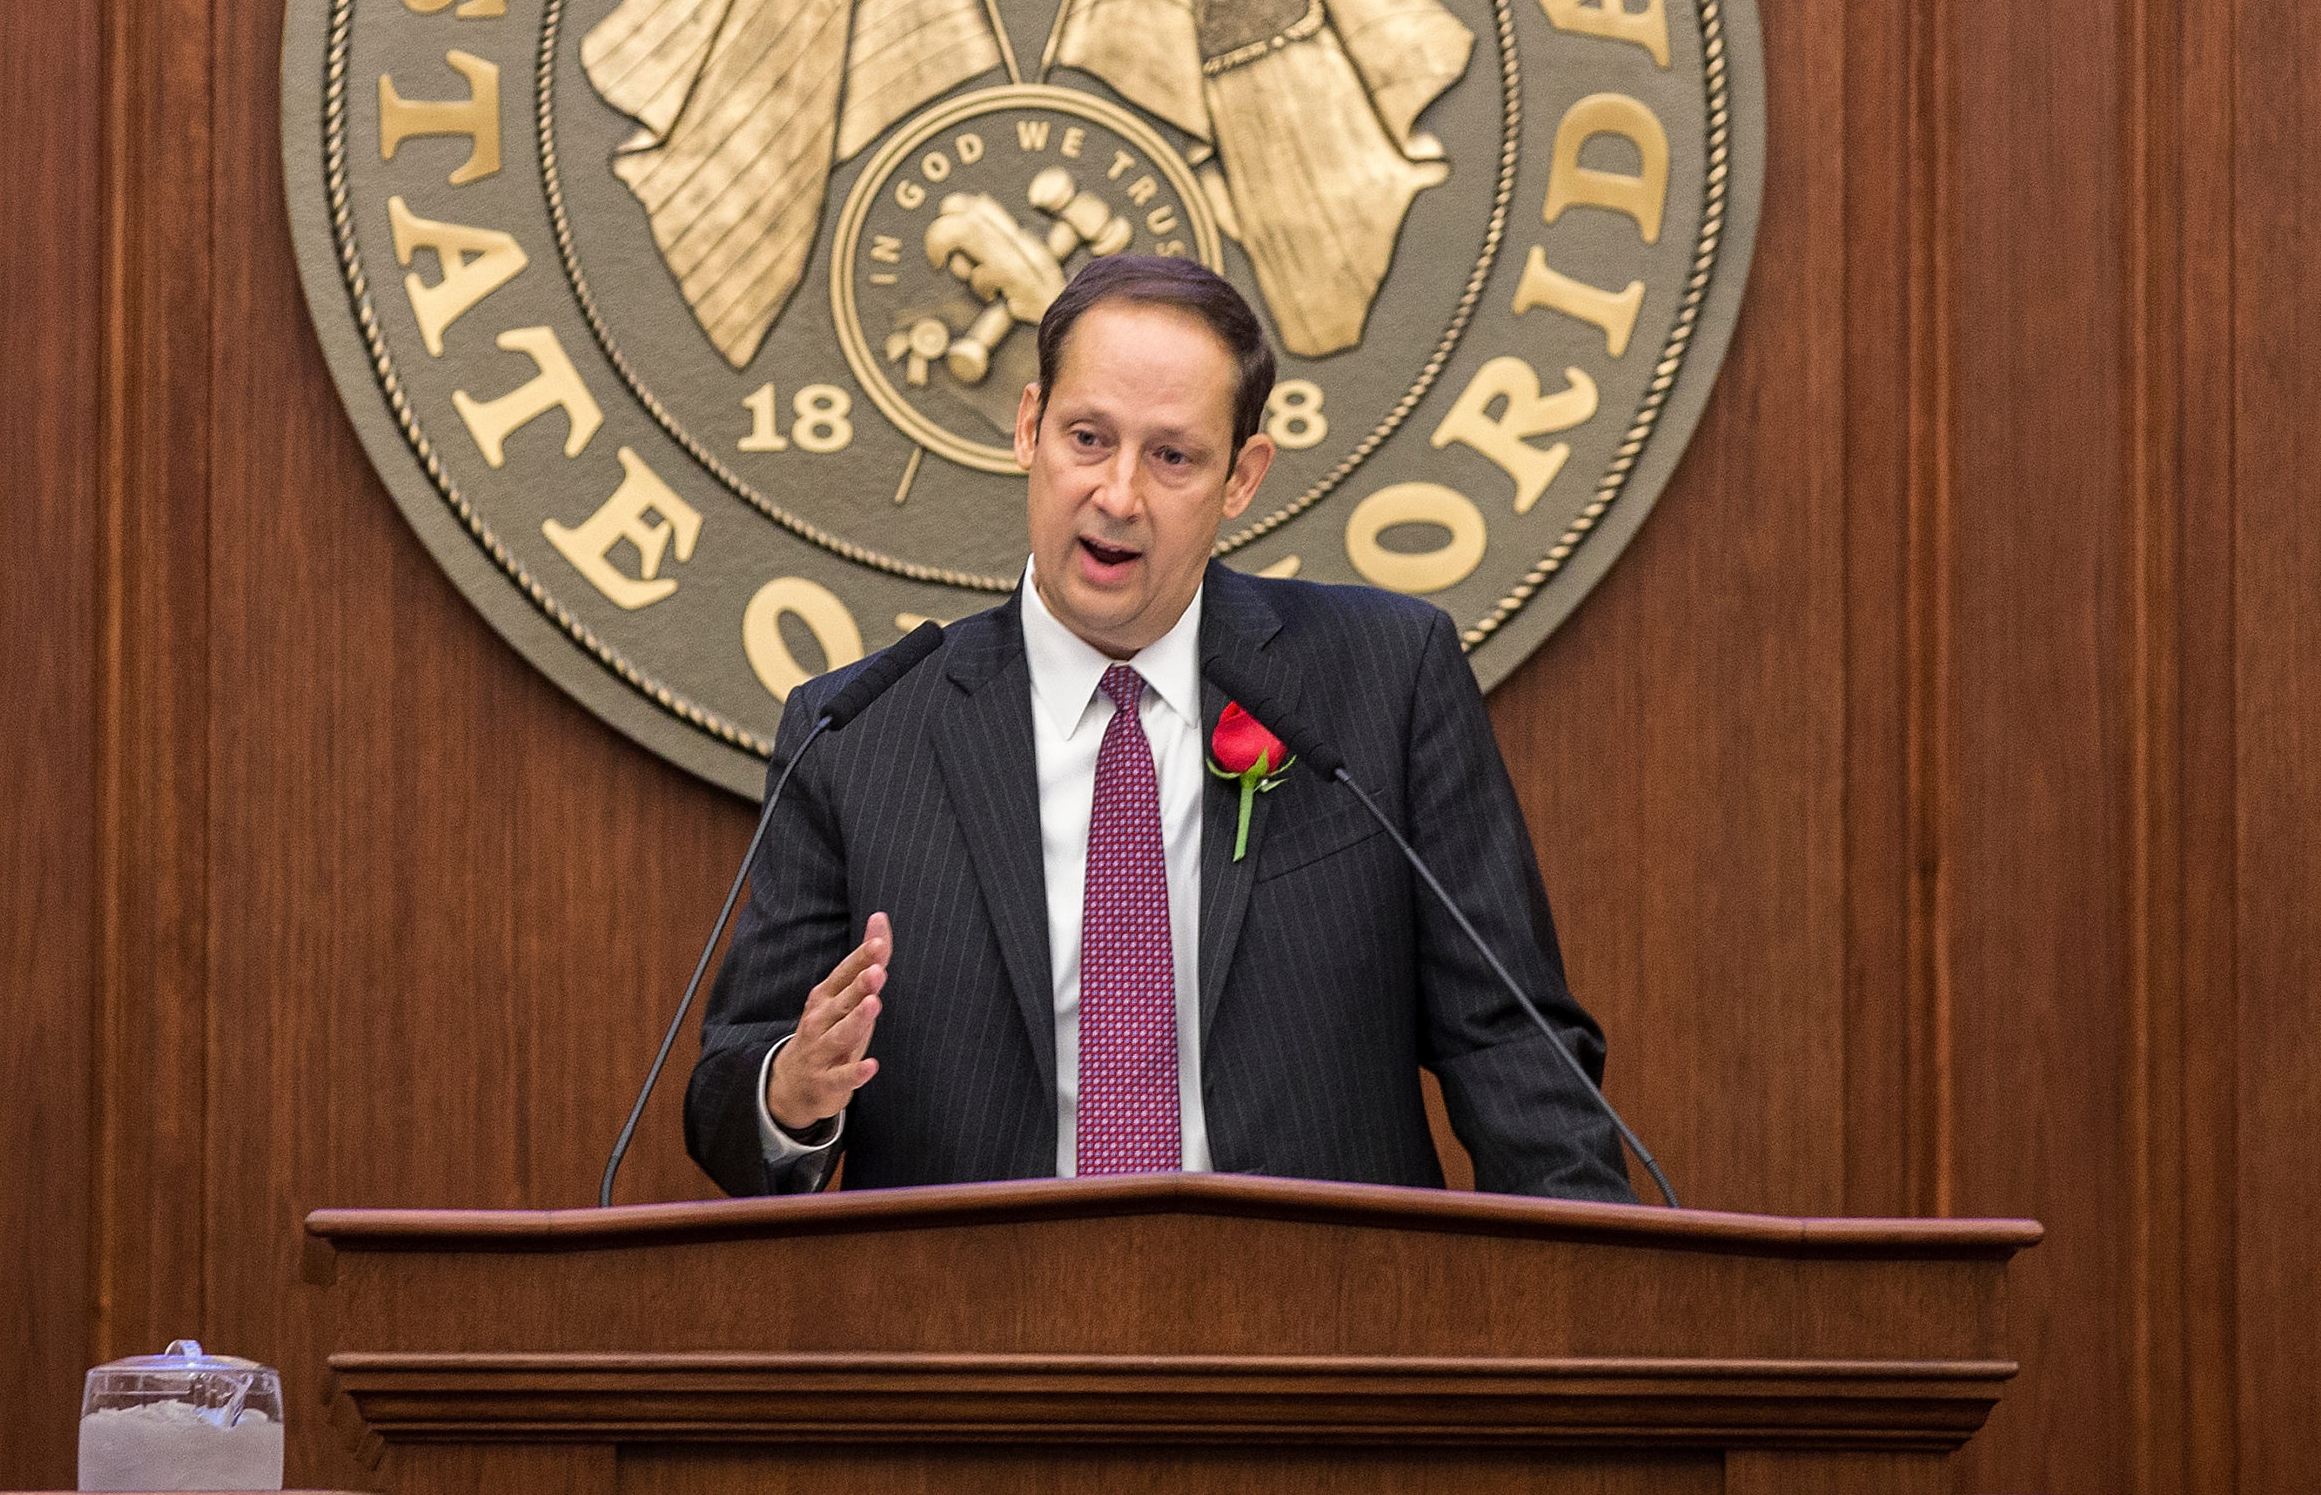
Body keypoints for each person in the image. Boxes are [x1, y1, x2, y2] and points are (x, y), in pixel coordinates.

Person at [682, 254, 1631, 1200]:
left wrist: (1596, 1297)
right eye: (1088, 438)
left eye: (1172, 456)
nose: (1119, 494)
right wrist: (793, 1087)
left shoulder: (1384, 680)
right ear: (1029, 428)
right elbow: (729, 1104)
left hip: (1321, 1321)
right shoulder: (856, 734)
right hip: (977, 1328)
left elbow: (1513, 1046)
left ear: (1242, 476)